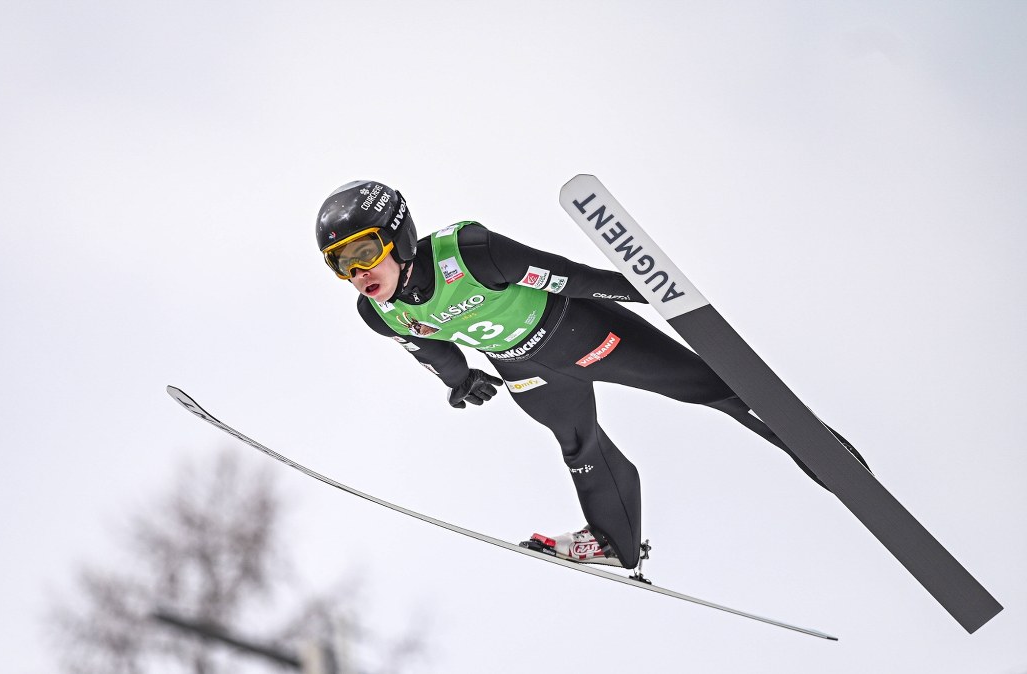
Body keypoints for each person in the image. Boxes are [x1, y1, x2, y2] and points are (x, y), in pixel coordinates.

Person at [316, 179, 863, 570]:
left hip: (583, 334)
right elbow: (429, 347)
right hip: (528, 374)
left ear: (399, 236)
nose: (358, 272)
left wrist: (645, 291)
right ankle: (614, 541)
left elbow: (567, 277)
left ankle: (820, 453)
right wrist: (459, 382)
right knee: (579, 445)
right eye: (340, 264)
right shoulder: (378, 312)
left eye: (364, 251)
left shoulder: (470, 253)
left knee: (709, 389)